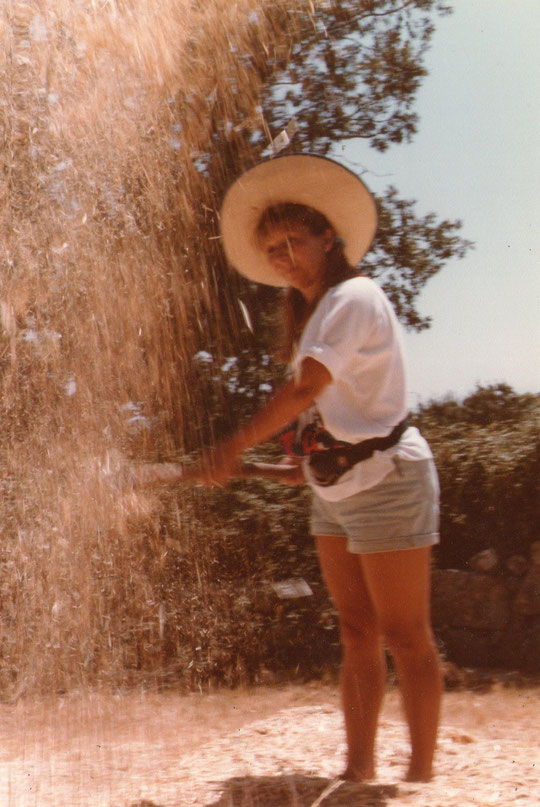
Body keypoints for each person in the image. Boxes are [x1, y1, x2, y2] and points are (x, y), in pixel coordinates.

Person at [188, 154, 442, 782]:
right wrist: (251, 472)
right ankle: (357, 772)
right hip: (337, 489)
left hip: (387, 479)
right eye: (270, 247)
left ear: (327, 237)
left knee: (405, 635)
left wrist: (231, 447)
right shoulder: (311, 317)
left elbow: (304, 392)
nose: (281, 255)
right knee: (357, 629)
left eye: (292, 241)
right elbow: (314, 447)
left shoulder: (354, 297)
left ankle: (421, 779)